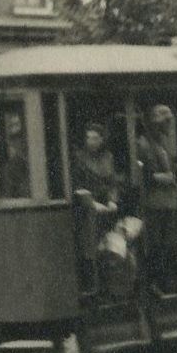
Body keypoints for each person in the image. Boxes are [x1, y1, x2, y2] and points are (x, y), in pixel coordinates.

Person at [137, 104, 177, 294]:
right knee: (155, 244)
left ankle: (168, 281)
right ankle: (154, 283)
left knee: (170, 243)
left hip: (168, 201)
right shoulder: (143, 143)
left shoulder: (163, 142)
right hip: (154, 202)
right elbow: (145, 173)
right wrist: (162, 177)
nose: (169, 126)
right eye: (166, 122)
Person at [71, 123, 120, 294]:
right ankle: (93, 288)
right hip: (87, 209)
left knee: (108, 246)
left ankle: (109, 287)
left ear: (101, 140)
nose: (91, 141)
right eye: (88, 137)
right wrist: (92, 203)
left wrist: (113, 200)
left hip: (106, 209)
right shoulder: (79, 158)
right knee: (90, 248)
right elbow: (76, 186)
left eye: (95, 138)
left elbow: (112, 183)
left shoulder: (108, 157)